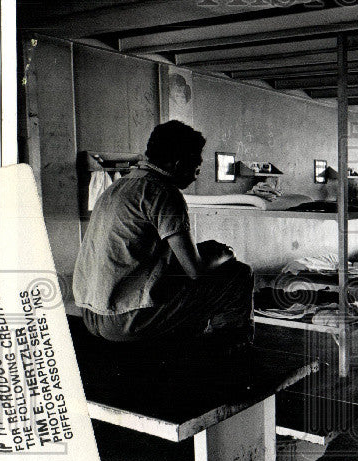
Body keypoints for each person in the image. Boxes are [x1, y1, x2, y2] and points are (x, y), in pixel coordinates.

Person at [73, 120, 254, 346]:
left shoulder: (118, 186)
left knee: (202, 256)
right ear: (179, 163)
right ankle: (229, 354)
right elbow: (195, 271)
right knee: (238, 274)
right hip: (125, 321)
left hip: (91, 316)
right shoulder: (164, 192)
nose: (198, 172)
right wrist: (223, 255)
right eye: (196, 164)